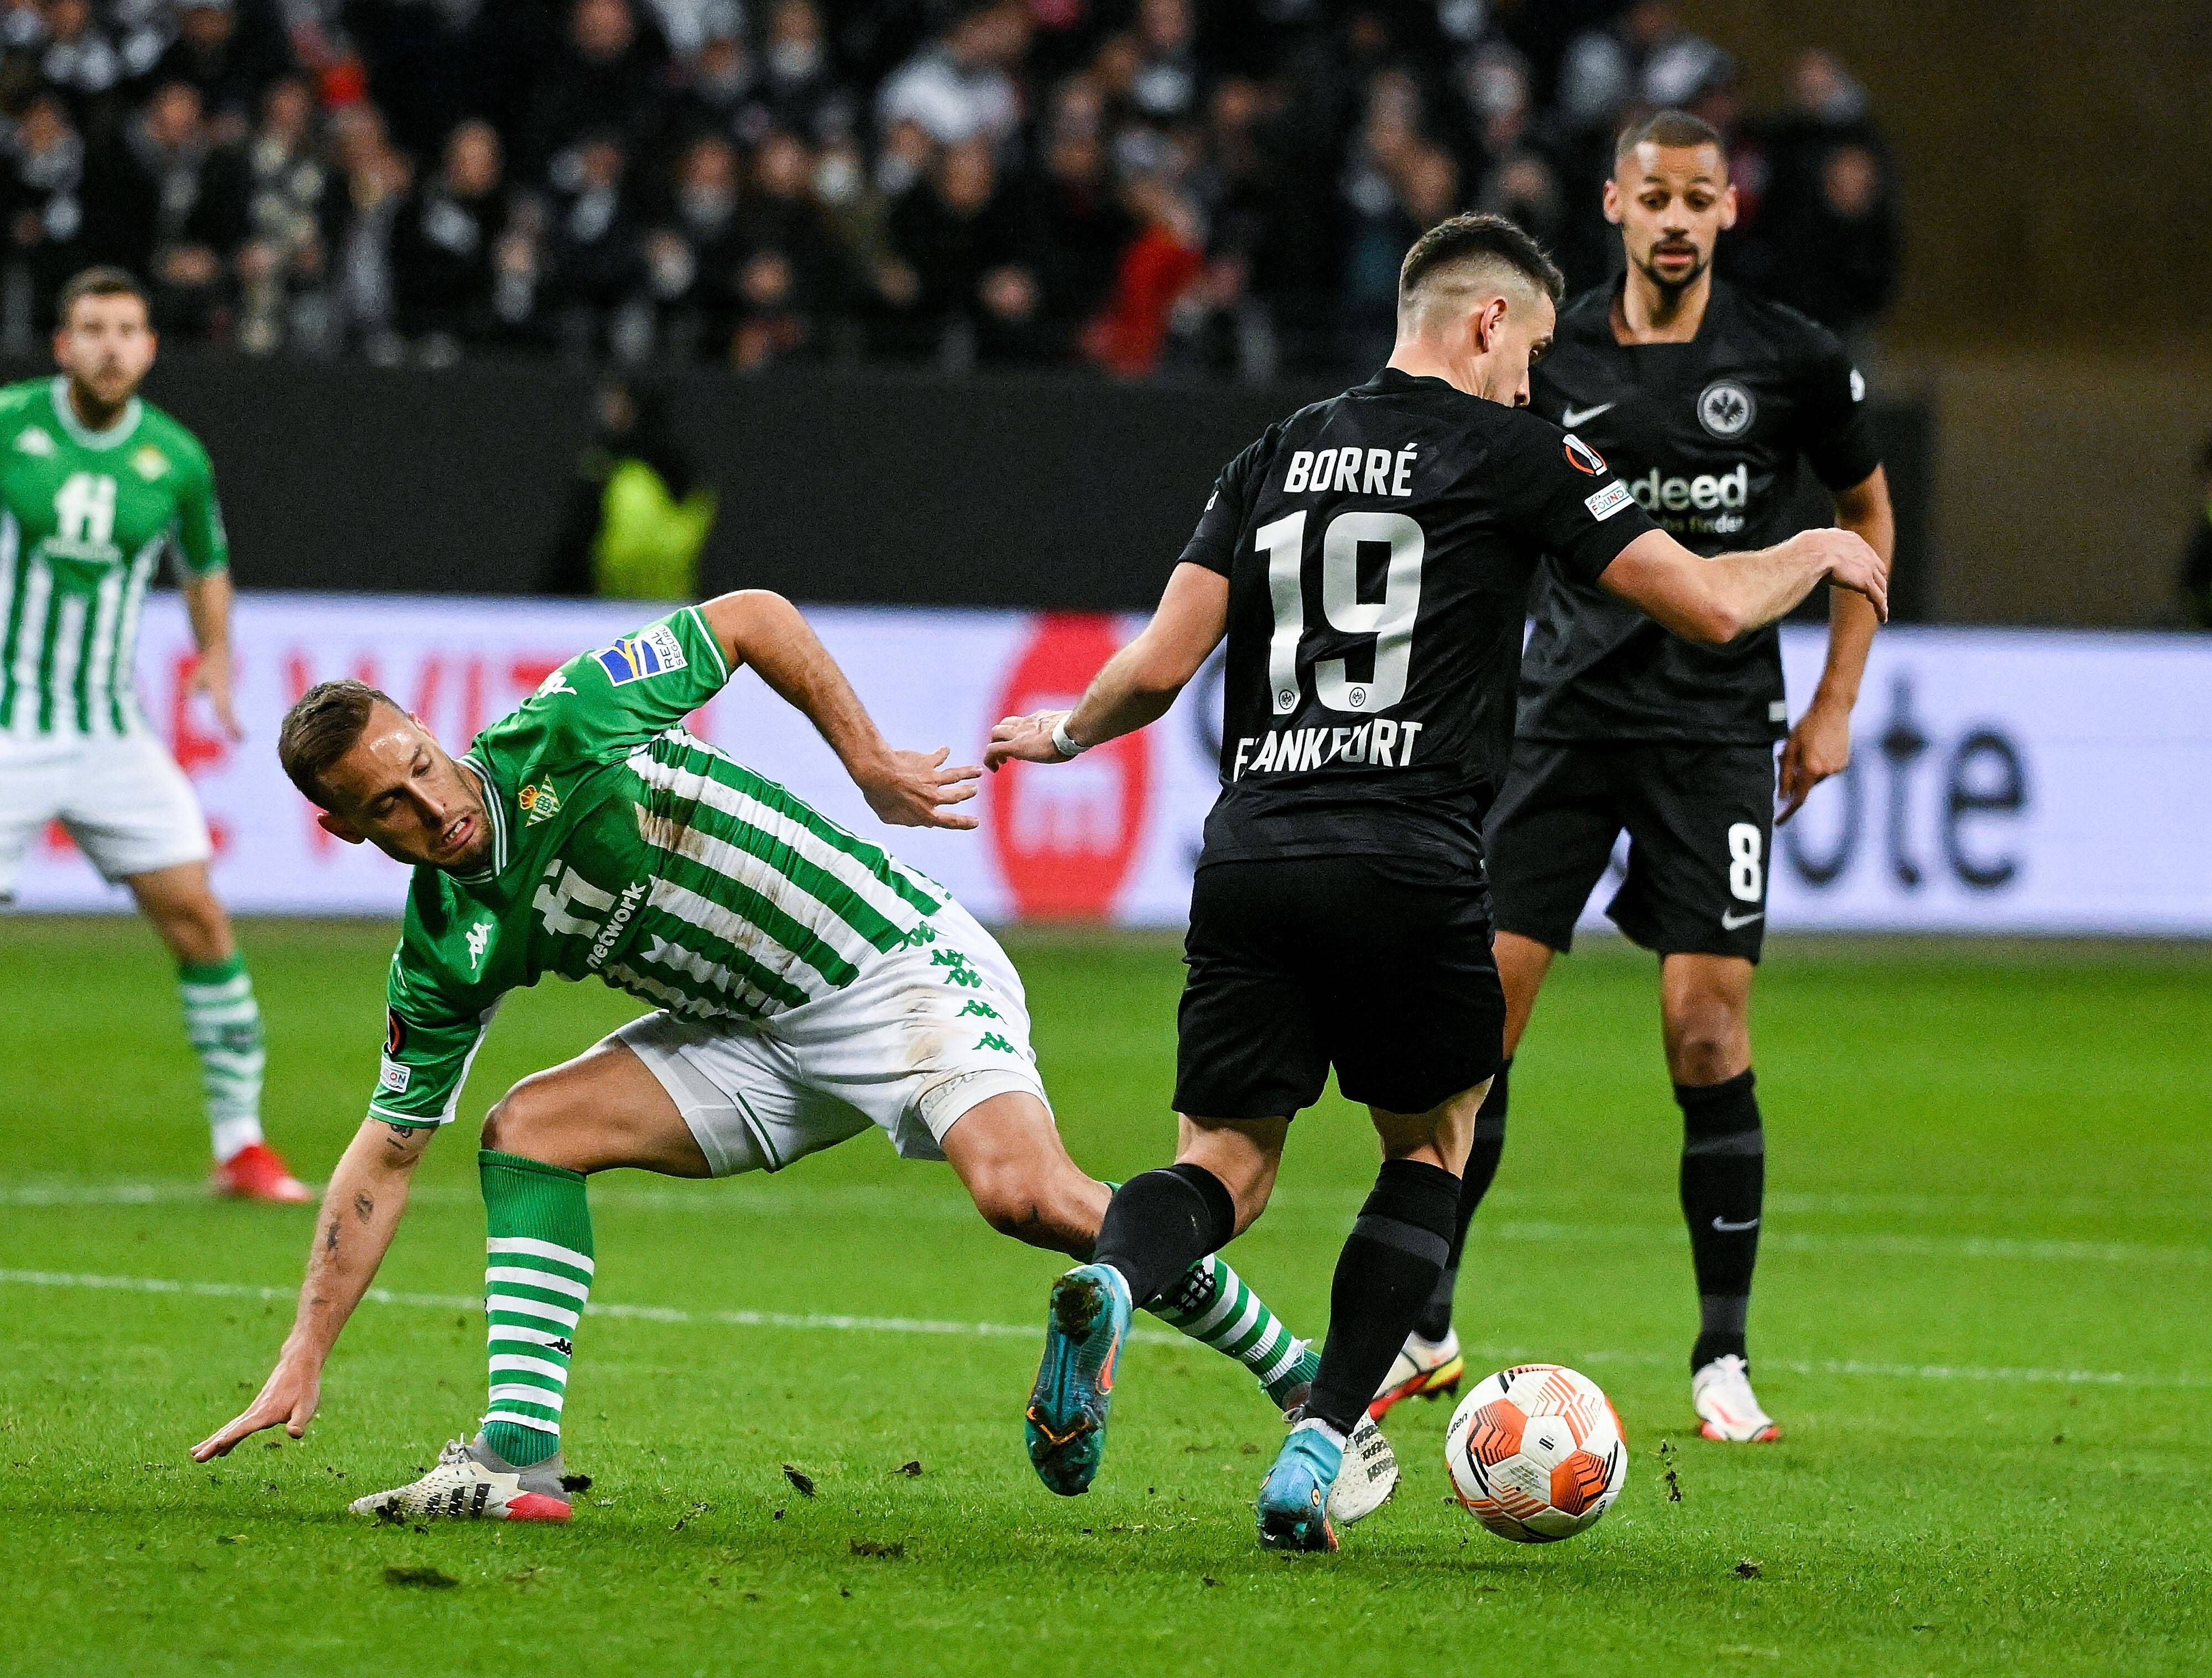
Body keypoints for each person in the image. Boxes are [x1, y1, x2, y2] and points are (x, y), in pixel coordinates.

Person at [987, 211, 1884, 1551]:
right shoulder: (1520, 452)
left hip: (1249, 856)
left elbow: (1160, 669)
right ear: (1483, 323)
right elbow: (1702, 603)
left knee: (1222, 1165)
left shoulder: (1271, 454)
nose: (1535, 379)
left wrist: (1057, 733)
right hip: (1408, 857)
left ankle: (1118, 1276)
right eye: (1529, 350)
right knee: (1429, 1146)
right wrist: (1814, 549)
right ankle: (1318, 1437)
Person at [189, 592, 1399, 1527]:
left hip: (891, 965)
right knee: (526, 1132)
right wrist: (303, 1354)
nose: (429, 802)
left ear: (433, 735)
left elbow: (754, 621)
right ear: (342, 829)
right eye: (387, 805)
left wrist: (868, 762)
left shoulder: (563, 725)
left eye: (423, 764)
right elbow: (387, 1151)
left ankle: (1305, 1384)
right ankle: (517, 1458)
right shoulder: (446, 947)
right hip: (744, 1040)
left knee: (1024, 1197)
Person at [1385, 112, 1897, 1447]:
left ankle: (1719, 1357)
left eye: (1698, 198)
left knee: (1705, 1031)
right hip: (1558, 724)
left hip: (1714, 732)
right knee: (1473, 1037)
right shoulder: (1553, 358)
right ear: (1611, 203)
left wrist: (1833, 702)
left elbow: (1865, 519)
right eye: (1651, 196)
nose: (1673, 219)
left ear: (1729, 210)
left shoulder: (1791, 359)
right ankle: (1426, 1322)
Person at [0, 265, 306, 1201]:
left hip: (109, 737)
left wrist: (215, 653)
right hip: (8, 727)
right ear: (62, 344)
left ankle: (242, 1147)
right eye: (90, 327)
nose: (108, 345)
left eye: (126, 329)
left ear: (150, 347)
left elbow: (205, 562)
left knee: (201, 921)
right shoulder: (10, 423)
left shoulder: (174, 456)